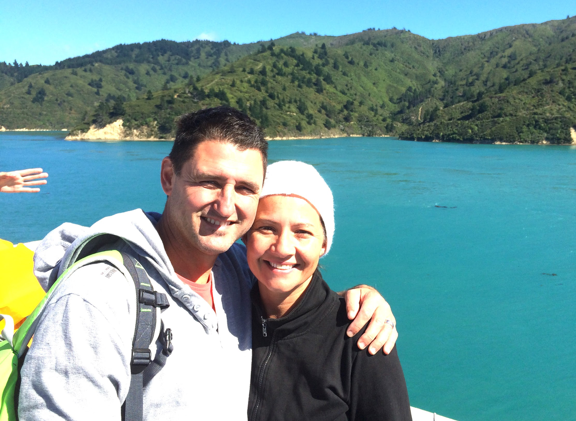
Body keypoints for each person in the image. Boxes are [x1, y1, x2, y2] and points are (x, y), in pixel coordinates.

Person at [19, 107, 398, 420]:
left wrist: (363, 298)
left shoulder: (235, 269)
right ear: (169, 176)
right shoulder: (97, 298)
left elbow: (291, 282)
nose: (226, 205)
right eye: (210, 182)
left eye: (246, 189)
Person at [245, 161, 411, 421]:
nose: (283, 248)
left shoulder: (360, 335)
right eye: (267, 228)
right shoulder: (223, 309)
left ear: (323, 244)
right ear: (246, 235)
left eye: (302, 232)